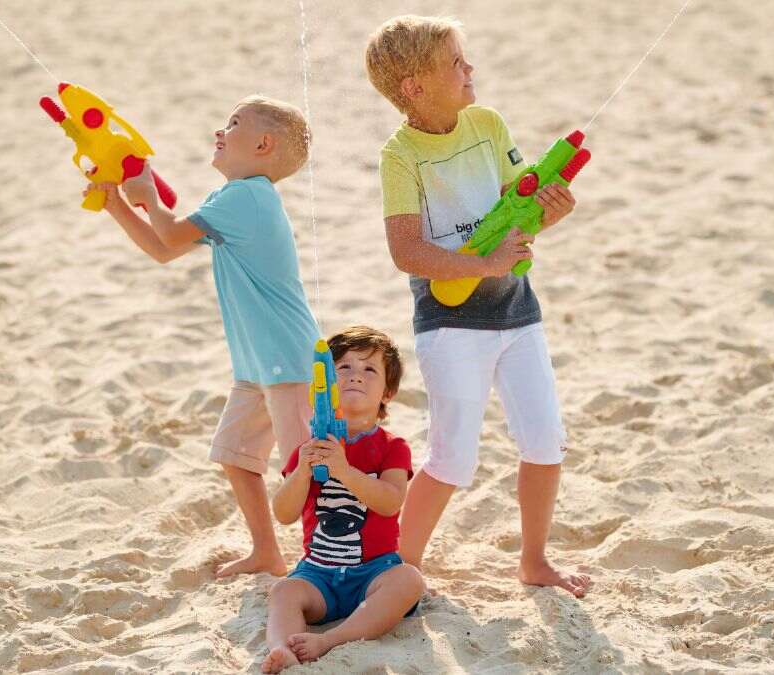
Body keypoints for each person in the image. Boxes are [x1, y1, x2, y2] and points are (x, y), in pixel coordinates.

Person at [365, 15, 590, 597]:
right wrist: (483, 265)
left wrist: (549, 212)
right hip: (450, 325)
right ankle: (397, 568)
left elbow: (519, 216)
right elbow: (406, 251)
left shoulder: (488, 124)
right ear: (415, 86)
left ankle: (534, 562)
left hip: (518, 314)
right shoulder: (399, 156)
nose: (470, 69)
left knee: (545, 442)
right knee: (452, 459)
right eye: (456, 63)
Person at [89, 95, 318, 578]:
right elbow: (164, 249)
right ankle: (266, 551)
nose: (220, 130)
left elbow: (170, 234)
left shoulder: (248, 197)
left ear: (263, 145)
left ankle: (328, 557)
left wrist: (149, 196)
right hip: (257, 362)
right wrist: (116, 203)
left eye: (232, 123)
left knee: (306, 466)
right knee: (235, 454)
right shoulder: (232, 198)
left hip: (287, 358)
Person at [262, 327, 424, 673]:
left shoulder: (392, 447)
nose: (356, 375)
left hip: (375, 571)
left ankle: (332, 639)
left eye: (369, 369)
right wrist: (303, 471)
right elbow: (284, 513)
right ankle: (282, 648)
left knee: (409, 580)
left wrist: (344, 471)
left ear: (388, 392)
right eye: (344, 367)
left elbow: (390, 501)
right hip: (318, 573)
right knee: (283, 591)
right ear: (324, 385)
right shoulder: (308, 448)